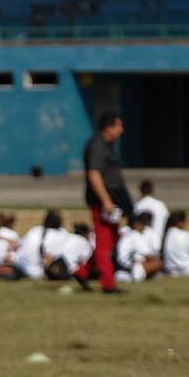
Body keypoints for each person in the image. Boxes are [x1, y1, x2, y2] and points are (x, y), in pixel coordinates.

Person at [74, 111, 132, 293]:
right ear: (109, 127)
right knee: (104, 242)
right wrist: (106, 200)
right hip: (101, 202)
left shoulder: (107, 146)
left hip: (112, 200)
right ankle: (108, 284)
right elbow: (94, 174)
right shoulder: (98, 146)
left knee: (113, 237)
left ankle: (83, 272)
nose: (122, 130)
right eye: (119, 126)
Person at [15, 210, 71, 280]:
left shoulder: (35, 230)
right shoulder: (62, 233)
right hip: (41, 272)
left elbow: (18, 245)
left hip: (23, 268)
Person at [116, 212, 162, 283]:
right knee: (158, 263)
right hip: (129, 266)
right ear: (137, 225)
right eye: (142, 224)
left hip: (122, 264)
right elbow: (148, 255)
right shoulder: (135, 236)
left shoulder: (127, 234)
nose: (144, 227)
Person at [133, 179, 168, 253]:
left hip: (141, 244)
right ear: (152, 190)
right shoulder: (161, 205)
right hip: (158, 242)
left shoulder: (137, 206)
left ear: (140, 191)